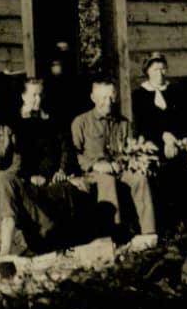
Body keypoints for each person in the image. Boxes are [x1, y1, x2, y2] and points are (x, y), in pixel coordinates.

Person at [67, 79, 159, 248]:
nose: (107, 102)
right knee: (107, 181)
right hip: (93, 173)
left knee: (140, 178)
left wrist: (134, 162)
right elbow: (75, 155)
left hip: (119, 169)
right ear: (93, 98)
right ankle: (113, 235)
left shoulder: (123, 123)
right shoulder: (81, 123)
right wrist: (95, 165)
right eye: (102, 98)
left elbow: (131, 149)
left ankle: (148, 234)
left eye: (111, 97)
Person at [132, 52, 187, 228]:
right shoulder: (140, 95)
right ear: (148, 71)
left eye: (162, 68)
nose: (160, 73)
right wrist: (163, 137)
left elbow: (183, 119)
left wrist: (174, 140)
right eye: (155, 69)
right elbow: (143, 125)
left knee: (183, 165)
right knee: (159, 171)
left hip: (176, 142)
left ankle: (185, 220)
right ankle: (164, 223)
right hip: (152, 144)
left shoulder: (174, 92)